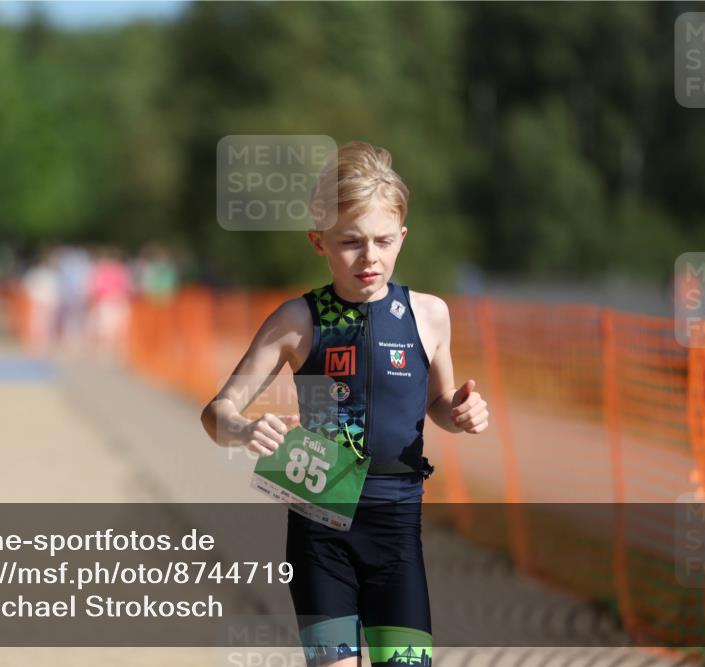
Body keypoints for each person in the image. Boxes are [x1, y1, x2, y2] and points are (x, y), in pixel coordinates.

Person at [200, 141, 490, 667]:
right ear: (319, 242)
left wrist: (463, 412)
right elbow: (216, 412)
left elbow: (441, 406)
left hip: (398, 533)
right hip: (320, 529)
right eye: (350, 242)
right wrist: (243, 431)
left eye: (382, 240)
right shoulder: (297, 319)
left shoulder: (429, 315)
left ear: (403, 236)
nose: (369, 257)